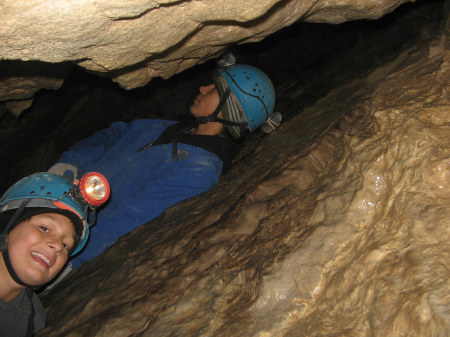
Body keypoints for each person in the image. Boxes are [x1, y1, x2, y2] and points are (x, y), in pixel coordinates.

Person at [49, 63, 280, 269]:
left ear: (230, 109)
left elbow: (128, 221)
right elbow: (114, 134)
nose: (202, 89)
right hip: (53, 205)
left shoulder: (199, 171)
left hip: (65, 242)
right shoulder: (167, 127)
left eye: (214, 89)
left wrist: (70, 258)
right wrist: (70, 163)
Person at [0, 171, 109, 337]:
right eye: (44, 228)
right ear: (8, 224)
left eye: (66, 245)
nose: (58, 246)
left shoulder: (32, 320)